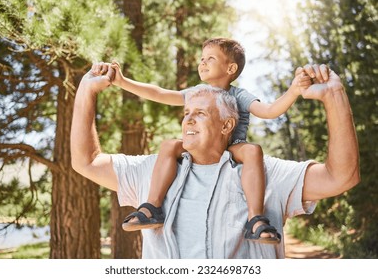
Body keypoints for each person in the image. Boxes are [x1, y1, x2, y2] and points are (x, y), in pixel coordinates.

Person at [70, 63, 360, 258]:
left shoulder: (263, 171)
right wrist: (86, 90)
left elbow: (342, 177)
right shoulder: (154, 168)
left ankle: (255, 220)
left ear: (226, 126)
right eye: (186, 114)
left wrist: (333, 95)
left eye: (200, 114)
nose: (188, 120)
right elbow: (86, 161)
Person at [91, 38, 312, 244]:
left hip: (231, 147)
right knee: (169, 145)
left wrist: (294, 91)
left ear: (230, 69)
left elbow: (269, 111)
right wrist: (122, 82)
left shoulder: (240, 95)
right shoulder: (197, 92)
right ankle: (152, 207)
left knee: (253, 151)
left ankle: (255, 219)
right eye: (202, 59)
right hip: (200, 148)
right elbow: (160, 93)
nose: (202, 63)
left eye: (210, 59)